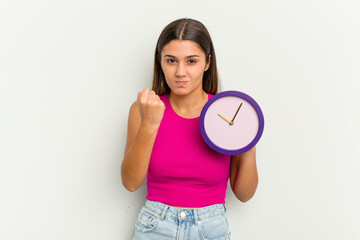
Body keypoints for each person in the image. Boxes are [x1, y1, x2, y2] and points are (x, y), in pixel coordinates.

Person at [121, 18, 258, 240]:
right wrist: (149, 124)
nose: (180, 72)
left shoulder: (226, 114)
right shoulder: (142, 110)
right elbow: (130, 183)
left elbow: (244, 194)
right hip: (155, 227)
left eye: (191, 61)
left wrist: (248, 141)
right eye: (172, 60)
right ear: (160, 61)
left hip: (211, 228)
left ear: (207, 62)